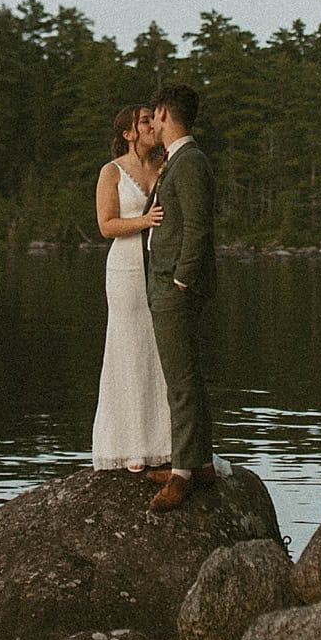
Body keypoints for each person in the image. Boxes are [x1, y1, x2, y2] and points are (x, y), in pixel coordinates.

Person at [143, 82, 219, 512]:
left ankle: (183, 475)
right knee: (184, 376)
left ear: (167, 116)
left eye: (154, 116)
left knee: (182, 382)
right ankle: (197, 463)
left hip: (176, 284)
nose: (152, 123)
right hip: (166, 280)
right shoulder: (179, 161)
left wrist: (183, 279)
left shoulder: (189, 161)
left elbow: (198, 226)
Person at [91, 104, 172, 473]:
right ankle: (127, 447)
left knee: (158, 348)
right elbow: (106, 226)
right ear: (128, 134)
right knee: (127, 346)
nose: (151, 125)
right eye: (144, 122)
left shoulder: (162, 166)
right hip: (124, 267)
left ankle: (164, 443)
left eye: (152, 120)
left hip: (157, 266)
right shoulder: (112, 172)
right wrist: (144, 220)